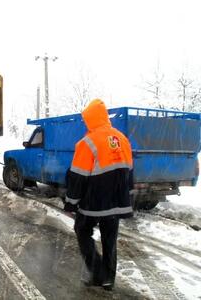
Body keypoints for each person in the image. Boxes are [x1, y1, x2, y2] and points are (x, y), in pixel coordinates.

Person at [63, 99, 133, 291]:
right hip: (117, 201)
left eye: (86, 120)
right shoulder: (121, 139)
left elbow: (78, 176)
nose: (85, 123)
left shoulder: (87, 143)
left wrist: (71, 203)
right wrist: (127, 195)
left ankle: (98, 272)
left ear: (91, 119)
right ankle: (109, 278)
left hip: (94, 201)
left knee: (82, 230)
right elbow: (129, 170)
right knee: (110, 238)